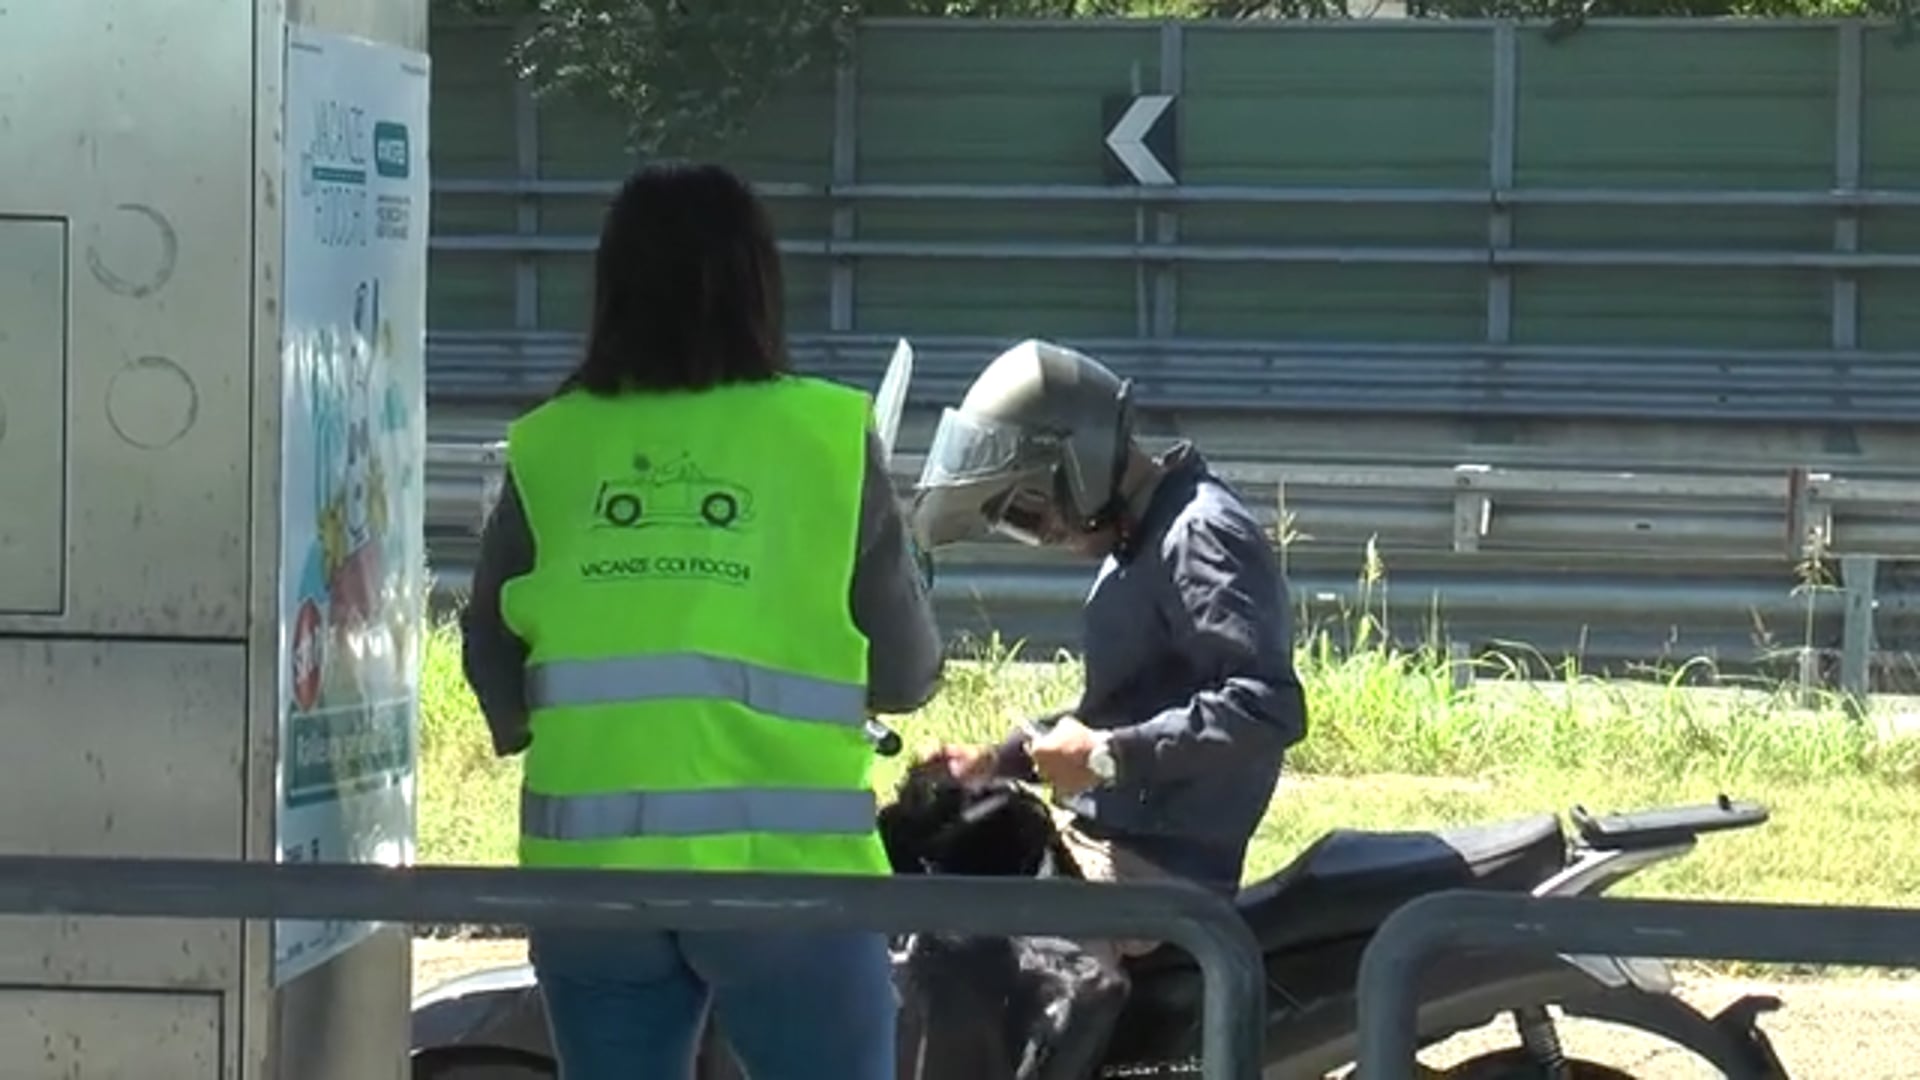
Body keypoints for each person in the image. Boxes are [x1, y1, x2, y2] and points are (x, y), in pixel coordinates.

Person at [458, 160, 944, 1080]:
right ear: (760, 283)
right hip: (788, 881)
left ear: (611, 286)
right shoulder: (827, 439)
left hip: (591, 882)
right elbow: (906, 675)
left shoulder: (550, 443)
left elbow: (491, 663)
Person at [909, 338, 1306, 964]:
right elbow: (1130, 700)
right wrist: (997, 760)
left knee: (977, 966)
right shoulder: (1142, 535)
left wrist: (1109, 757)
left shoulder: (1198, 532)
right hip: (1112, 837)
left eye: (1029, 510)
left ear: (1078, 461)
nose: (1038, 536)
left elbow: (1267, 706)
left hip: (1157, 870)